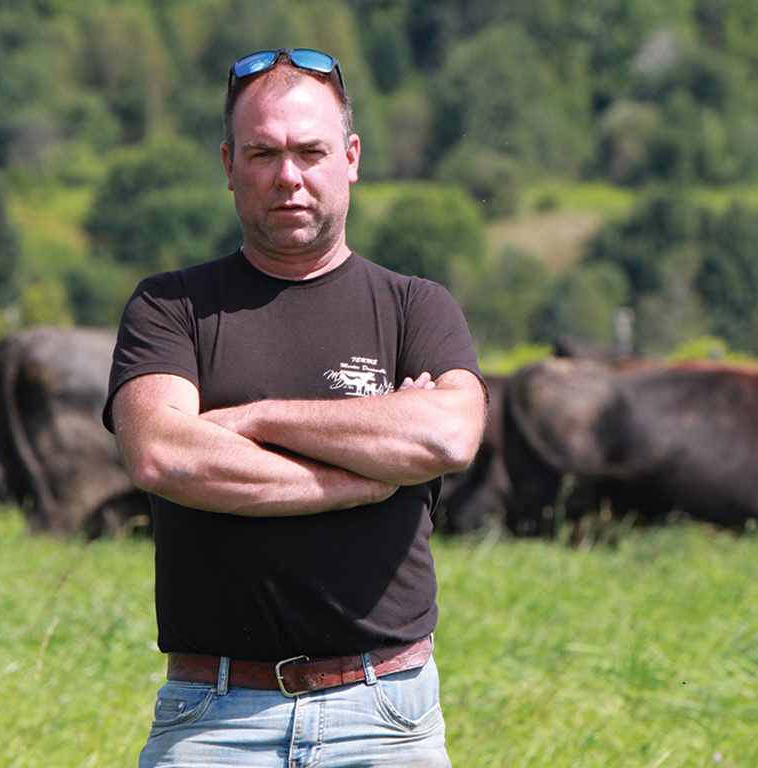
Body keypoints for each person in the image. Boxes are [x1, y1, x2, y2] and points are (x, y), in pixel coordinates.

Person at [103, 48, 487, 767]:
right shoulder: (170, 307)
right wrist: (366, 476)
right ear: (227, 164)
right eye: (262, 153)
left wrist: (253, 420)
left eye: (310, 151)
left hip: (384, 711)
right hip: (213, 717)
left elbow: (446, 436)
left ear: (351, 157)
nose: (288, 176)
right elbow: (163, 452)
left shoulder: (415, 308)